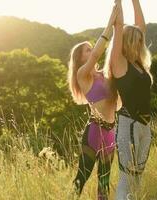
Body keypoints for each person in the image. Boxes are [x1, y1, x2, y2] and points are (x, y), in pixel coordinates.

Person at [67, 2, 121, 199]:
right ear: (81, 59)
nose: (92, 52)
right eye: (87, 51)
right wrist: (109, 26)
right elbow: (100, 52)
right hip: (94, 131)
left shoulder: (103, 75)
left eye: (91, 49)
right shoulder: (83, 75)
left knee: (104, 182)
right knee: (82, 178)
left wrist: (118, 27)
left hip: (110, 131)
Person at [108, 0, 153, 199]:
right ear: (126, 42)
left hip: (145, 126)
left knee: (138, 177)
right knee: (127, 178)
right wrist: (118, 2)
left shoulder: (138, 63)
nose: (139, 42)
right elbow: (119, 27)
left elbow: (141, 26)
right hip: (128, 124)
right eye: (135, 40)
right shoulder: (119, 62)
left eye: (139, 40)